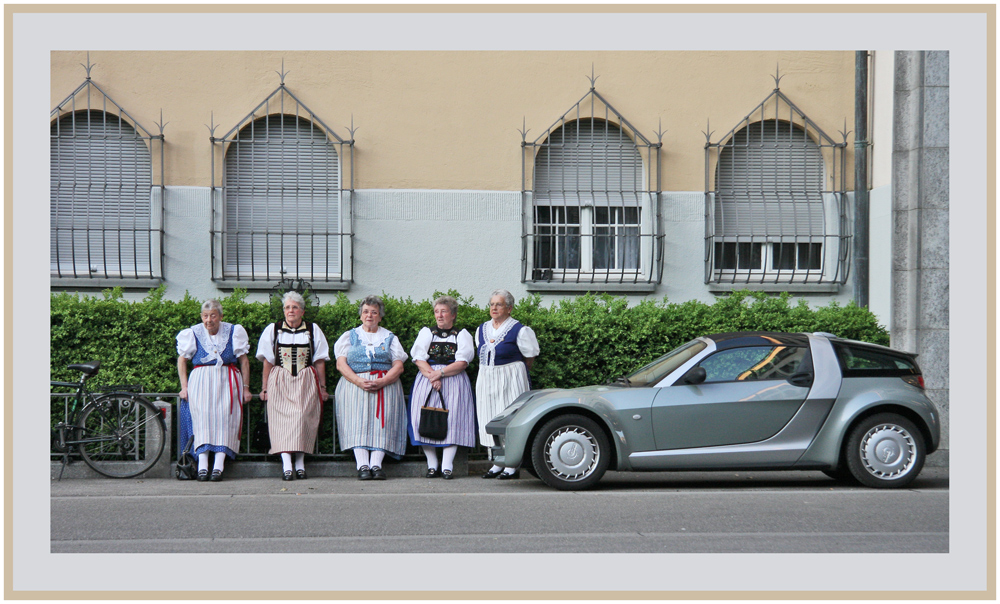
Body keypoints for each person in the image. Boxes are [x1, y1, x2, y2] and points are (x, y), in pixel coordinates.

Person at [255, 291, 330, 481]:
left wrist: (322, 387)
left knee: (302, 418)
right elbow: (268, 361)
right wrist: (264, 388)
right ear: (283, 310)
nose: (291, 311)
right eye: (287, 307)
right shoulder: (273, 329)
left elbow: (320, 361)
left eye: (295, 307)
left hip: (305, 380)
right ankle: (287, 465)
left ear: (302, 311)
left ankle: (300, 463)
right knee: (281, 422)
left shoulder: (313, 330)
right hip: (280, 380)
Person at [176, 299, 252, 482]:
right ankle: (202, 466)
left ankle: (218, 466)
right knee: (201, 420)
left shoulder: (234, 331)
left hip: (227, 381)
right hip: (200, 382)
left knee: (225, 420)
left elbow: (244, 361)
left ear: (220, 316)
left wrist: (246, 388)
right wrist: (184, 387)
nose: (208, 320)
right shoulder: (193, 333)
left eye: (212, 316)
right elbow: (182, 360)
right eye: (205, 316)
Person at [334, 295, 408, 480]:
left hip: (386, 386)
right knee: (356, 422)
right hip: (354, 386)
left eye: (374, 312)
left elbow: (399, 366)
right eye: (366, 312)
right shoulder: (349, 336)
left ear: (380, 317)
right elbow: (341, 364)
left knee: (382, 424)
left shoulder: (390, 337)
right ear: (360, 315)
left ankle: (376, 464)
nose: (369, 315)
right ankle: (362, 466)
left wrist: (384, 381)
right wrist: (358, 381)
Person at [407, 295, 476, 479]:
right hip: (427, 379)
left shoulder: (462, 334)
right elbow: (418, 358)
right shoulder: (426, 332)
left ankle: (447, 465)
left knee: (453, 419)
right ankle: (432, 465)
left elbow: (462, 362)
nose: (439, 315)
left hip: (453, 379)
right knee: (423, 418)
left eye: (443, 311)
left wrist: (441, 374)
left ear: (453, 314)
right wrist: (432, 376)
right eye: (437, 311)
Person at [475, 289, 539, 479]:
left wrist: (514, 373)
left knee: (510, 419)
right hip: (486, 378)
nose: (494, 308)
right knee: (489, 416)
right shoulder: (481, 329)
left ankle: (511, 465)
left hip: (511, 377)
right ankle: (496, 462)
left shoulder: (520, 330)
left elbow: (530, 356)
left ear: (509, 308)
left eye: (499, 304)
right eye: (492, 304)